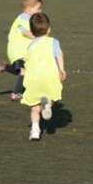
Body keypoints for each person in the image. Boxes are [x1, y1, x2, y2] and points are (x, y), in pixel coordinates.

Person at [22, 13, 66, 141]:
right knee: (50, 96)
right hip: (50, 76)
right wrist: (61, 69)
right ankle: (47, 105)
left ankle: (35, 130)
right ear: (49, 29)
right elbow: (59, 55)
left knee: (34, 107)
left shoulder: (30, 45)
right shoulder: (53, 42)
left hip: (34, 78)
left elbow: (27, 63)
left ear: (32, 32)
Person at [0, 0, 43, 101]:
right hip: (19, 50)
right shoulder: (25, 19)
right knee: (24, 71)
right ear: (29, 9)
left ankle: (5, 67)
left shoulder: (24, 17)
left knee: (24, 71)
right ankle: (16, 93)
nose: (40, 11)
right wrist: (40, 37)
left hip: (18, 50)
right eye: (38, 8)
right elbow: (26, 33)